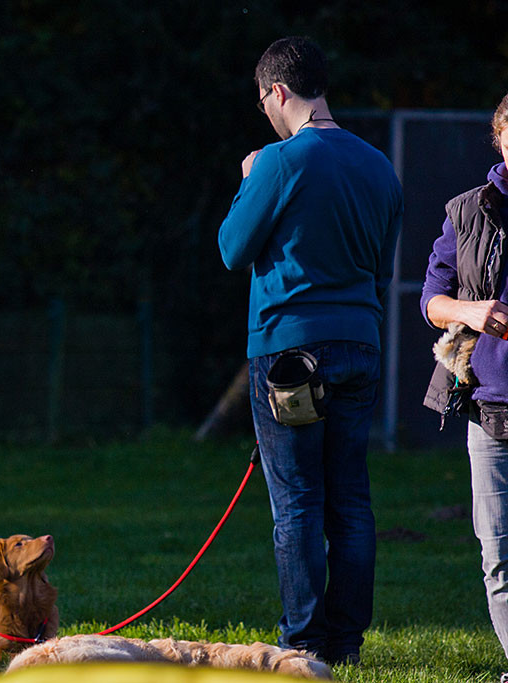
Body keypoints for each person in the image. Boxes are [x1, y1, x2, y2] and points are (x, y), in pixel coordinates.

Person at [217, 36, 403, 666]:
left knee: (297, 501)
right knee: (351, 498)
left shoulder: (277, 161)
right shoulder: (379, 165)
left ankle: (301, 643)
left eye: (264, 101)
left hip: (290, 352)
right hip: (360, 344)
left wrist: (249, 181)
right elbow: (382, 265)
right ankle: (347, 645)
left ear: (277, 92)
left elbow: (232, 250)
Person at [421, 93, 508, 679]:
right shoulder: (467, 211)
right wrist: (472, 313)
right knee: (499, 556)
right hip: (489, 409)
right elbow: (431, 300)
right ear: (500, 138)